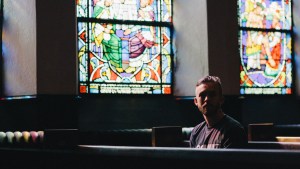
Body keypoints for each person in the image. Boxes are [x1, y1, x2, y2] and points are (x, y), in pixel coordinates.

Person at [190, 75, 247, 149]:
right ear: (196, 101)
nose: (207, 99)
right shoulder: (196, 132)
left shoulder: (233, 130)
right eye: (202, 95)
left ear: (221, 99)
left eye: (212, 95)